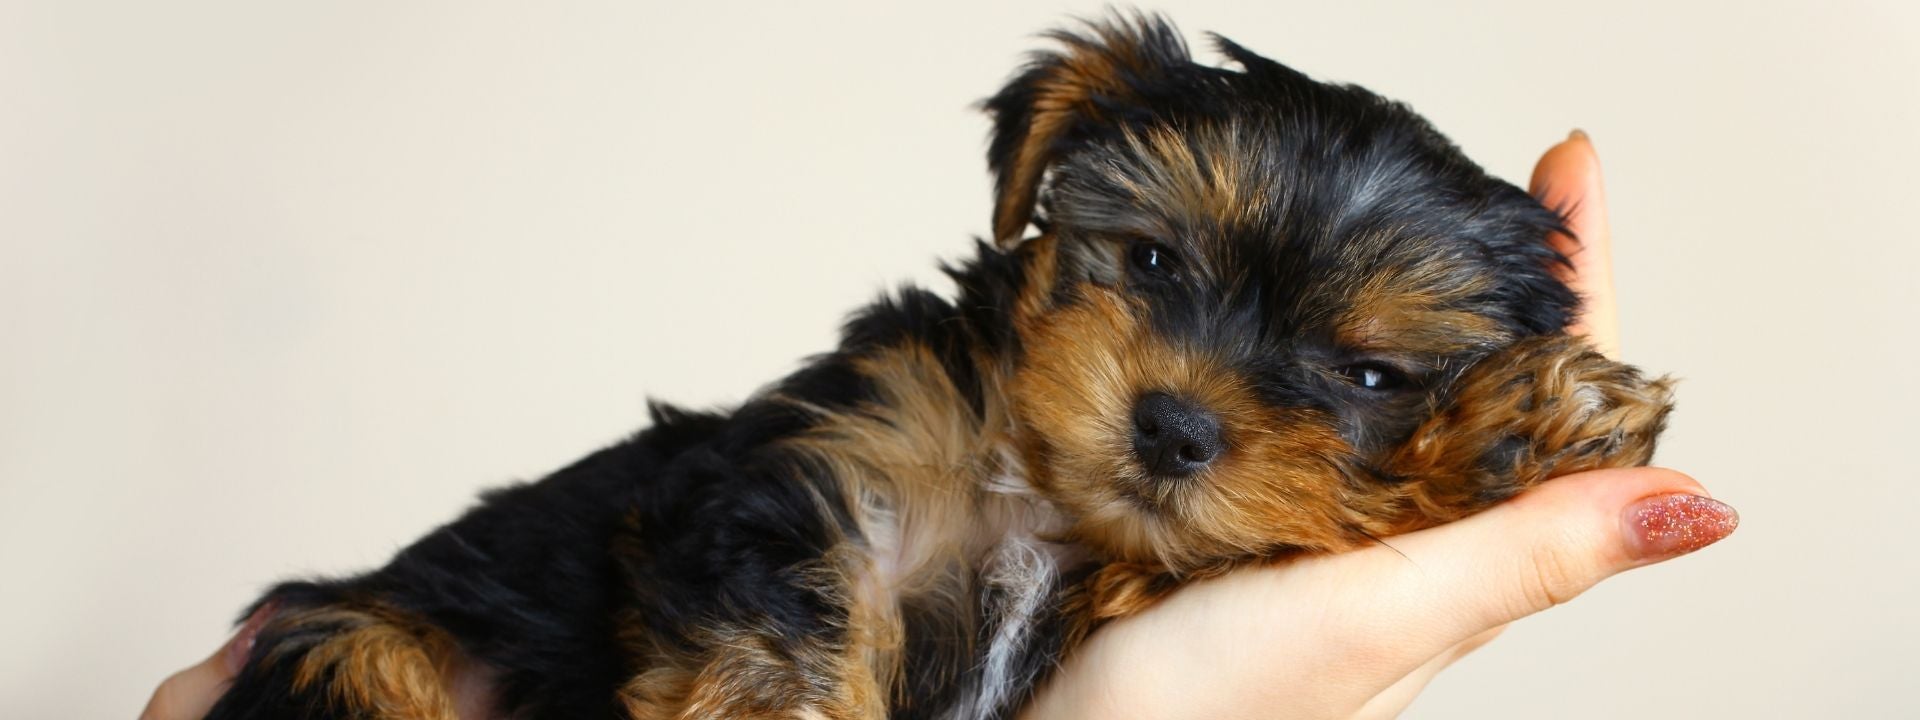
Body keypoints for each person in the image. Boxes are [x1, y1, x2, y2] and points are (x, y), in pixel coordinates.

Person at [140, 132, 1737, 720]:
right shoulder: (920, 406)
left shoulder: (1196, 572)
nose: (1191, 398)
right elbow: (734, 567)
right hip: (424, 657)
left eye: (1373, 375)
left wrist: (1494, 454)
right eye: (1155, 264)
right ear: (1040, 192)